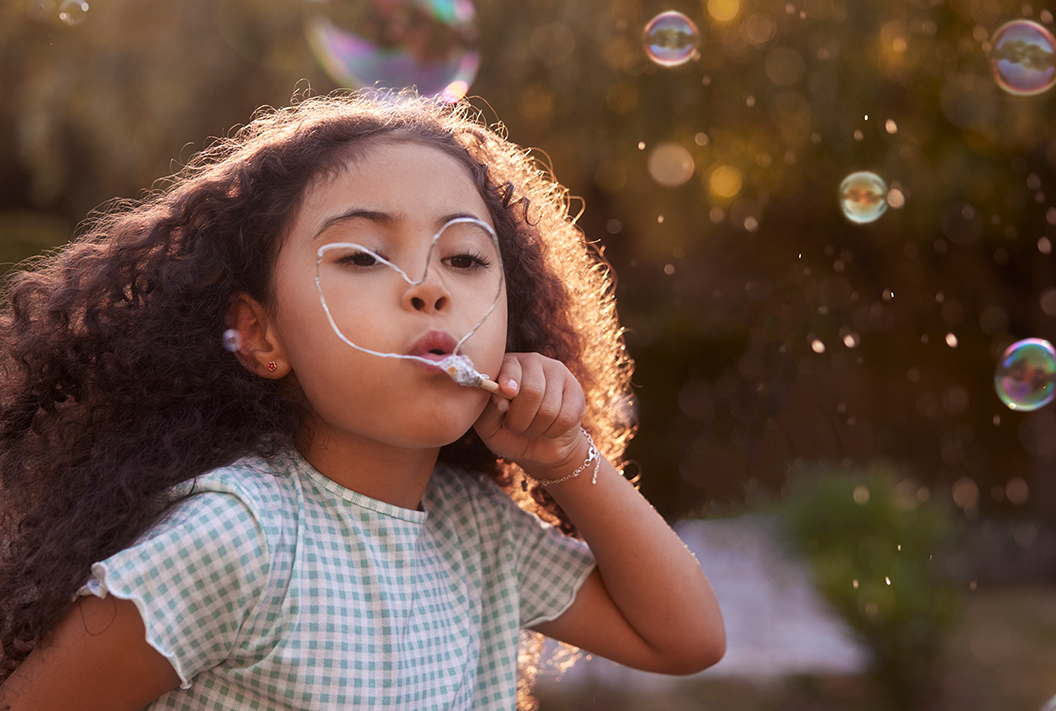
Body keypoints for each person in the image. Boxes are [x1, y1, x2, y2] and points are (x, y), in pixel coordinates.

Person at [0, 90, 724, 710]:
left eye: (465, 258)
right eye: (361, 256)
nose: (428, 285)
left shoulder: (479, 536)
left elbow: (686, 637)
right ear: (260, 334)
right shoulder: (239, 540)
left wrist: (567, 457)